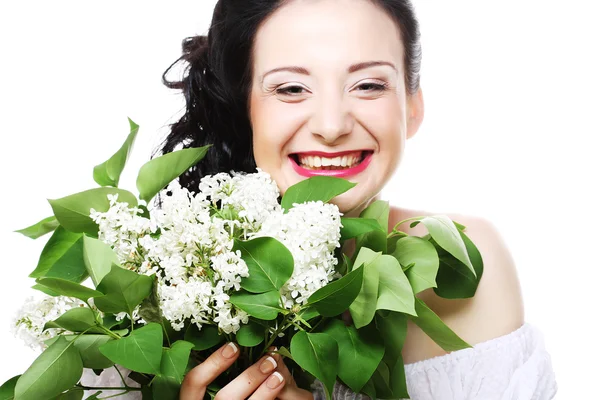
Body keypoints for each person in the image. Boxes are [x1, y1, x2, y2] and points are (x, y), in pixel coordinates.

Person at [85, 0, 557, 398]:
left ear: (412, 106)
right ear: (243, 106)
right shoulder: (151, 281)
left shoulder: (461, 260)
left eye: (368, 85)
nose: (332, 125)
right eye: (291, 88)